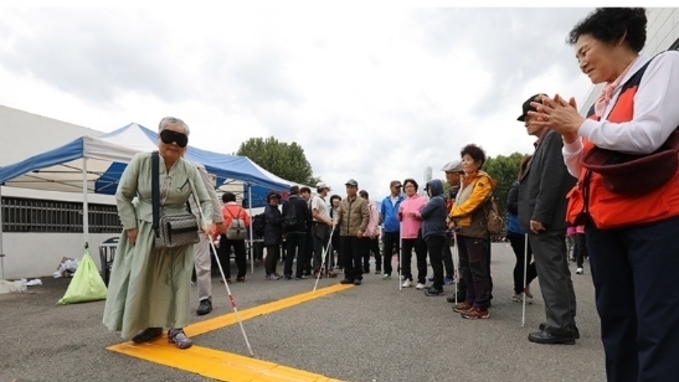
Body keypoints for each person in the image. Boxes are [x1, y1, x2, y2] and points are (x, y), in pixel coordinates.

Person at [530, 8, 679, 378]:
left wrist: (581, 125)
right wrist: (570, 136)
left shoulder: (663, 66)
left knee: (658, 324)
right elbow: (582, 169)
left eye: (584, 51)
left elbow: (648, 135)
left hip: (655, 221)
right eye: (576, 56)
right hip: (606, 222)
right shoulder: (604, 100)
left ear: (619, 36)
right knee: (617, 322)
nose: (581, 62)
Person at [103, 117, 213, 349]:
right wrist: (131, 226)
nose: (173, 143)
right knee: (143, 277)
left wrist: (208, 221)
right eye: (168, 136)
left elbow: (205, 200)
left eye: (180, 139)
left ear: (186, 145)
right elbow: (123, 195)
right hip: (143, 228)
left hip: (178, 230)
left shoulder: (190, 170)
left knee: (177, 278)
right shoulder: (141, 161)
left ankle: (176, 326)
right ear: (158, 138)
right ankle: (151, 324)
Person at [517, 93, 578, 343]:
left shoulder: (552, 137)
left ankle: (559, 327)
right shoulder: (547, 140)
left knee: (552, 273)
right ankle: (563, 321)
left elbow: (552, 179)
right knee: (557, 271)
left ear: (543, 113)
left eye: (529, 117)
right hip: (546, 219)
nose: (526, 123)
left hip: (545, 220)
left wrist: (540, 214)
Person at [447, 144, 496, 319]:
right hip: (462, 229)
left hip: (476, 231)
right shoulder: (465, 180)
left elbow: (472, 203)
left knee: (478, 268)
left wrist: (452, 214)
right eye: (463, 159)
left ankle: (481, 306)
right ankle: (470, 300)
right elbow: (458, 203)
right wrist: (451, 218)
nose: (464, 163)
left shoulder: (483, 180)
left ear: (478, 162)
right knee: (466, 268)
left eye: (468, 159)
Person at [187, 160, 224, 316]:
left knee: (201, 263)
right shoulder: (158, 166)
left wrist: (218, 219)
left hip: (197, 222)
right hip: (171, 224)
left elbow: (210, 194)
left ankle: (205, 298)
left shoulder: (195, 167)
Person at [506, 155, 537, 304]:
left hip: (533, 230)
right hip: (517, 230)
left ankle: (523, 283)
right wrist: (530, 209)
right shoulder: (518, 185)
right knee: (523, 260)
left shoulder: (537, 186)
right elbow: (510, 205)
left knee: (539, 261)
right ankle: (519, 290)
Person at [336, 179, 369, 286]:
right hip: (344, 232)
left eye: (352, 187)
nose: (349, 189)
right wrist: (336, 221)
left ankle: (358, 276)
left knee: (357, 255)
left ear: (356, 189)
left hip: (356, 233)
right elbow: (339, 214)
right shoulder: (342, 202)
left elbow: (365, 216)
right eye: (348, 187)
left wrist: (361, 229)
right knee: (346, 256)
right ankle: (348, 276)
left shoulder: (362, 202)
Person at [397, 179, 428, 289]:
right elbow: (400, 218)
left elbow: (424, 213)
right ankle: (407, 278)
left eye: (411, 186)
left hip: (418, 232)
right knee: (405, 258)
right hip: (405, 233)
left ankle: (421, 280)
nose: (409, 188)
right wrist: (399, 214)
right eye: (406, 187)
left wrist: (416, 214)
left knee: (421, 257)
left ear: (415, 187)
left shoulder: (422, 200)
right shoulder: (403, 203)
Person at [420, 179, 448, 297]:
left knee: (435, 260)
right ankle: (437, 282)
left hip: (434, 233)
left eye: (430, 188)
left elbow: (423, 213)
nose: (429, 191)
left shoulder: (436, 200)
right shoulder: (440, 199)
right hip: (436, 232)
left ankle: (438, 286)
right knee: (436, 259)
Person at [215, 192, 251, 283]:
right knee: (241, 255)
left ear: (224, 200)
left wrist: (214, 235)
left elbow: (218, 224)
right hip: (239, 234)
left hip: (225, 234)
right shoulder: (241, 209)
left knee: (224, 256)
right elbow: (247, 223)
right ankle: (241, 275)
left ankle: (227, 277)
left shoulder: (222, 210)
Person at [282, 186, 311, 280]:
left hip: (289, 231)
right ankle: (299, 273)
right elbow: (307, 216)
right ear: (298, 192)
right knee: (301, 252)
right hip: (301, 230)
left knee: (290, 252)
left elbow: (283, 217)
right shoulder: (302, 202)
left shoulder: (285, 203)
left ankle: (287, 273)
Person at [379, 181, 404, 280]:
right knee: (387, 252)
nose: (398, 189)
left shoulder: (403, 200)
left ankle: (401, 271)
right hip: (388, 230)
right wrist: (387, 223)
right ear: (391, 187)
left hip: (400, 229)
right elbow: (383, 214)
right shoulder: (385, 201)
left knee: (400, 251)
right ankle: (387, 271)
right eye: (396, 187)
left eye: (399, 187)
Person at [311, 183, 335, 277]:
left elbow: (323, 213)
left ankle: (329, 269)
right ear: (323, 189)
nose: (327, 191)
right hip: (319, 225)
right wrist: (327, 221)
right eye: (327, 189)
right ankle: (317, 270)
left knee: (329, 247)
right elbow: (314, 214)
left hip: (326, 225)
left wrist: (330, 220)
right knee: (318, 248)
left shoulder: (323, 200)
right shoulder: (316, 199)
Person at [359, 190, 381, 274]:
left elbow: (375, 220)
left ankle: (378, 267)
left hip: (372, 233)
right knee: (365, 252)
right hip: (364, 233)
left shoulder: (373, 207)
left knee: (376, 251)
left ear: (364, 197)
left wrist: (373, 231)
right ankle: (366, 267)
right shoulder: (362, 207)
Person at [263, 191, 284, 280]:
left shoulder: (276, 209)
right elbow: (273, 220)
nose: (275, 200)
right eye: (273, 198)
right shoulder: (268, 209)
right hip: (270, 234)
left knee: (275, 254)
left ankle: (273, 271)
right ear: (269, 200)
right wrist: (283, 218)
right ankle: (269, 273)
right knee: (271, 254)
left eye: (276, 198)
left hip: (276, 234)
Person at [329, 195, 342, 269]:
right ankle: (331, 263)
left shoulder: (342, 209)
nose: (336, 202)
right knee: (331, 247)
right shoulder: (330, 209)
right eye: (334, 201)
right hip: (331, 229)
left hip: (340, 230)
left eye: (337, 200)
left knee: (340, 247)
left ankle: (340, 263)